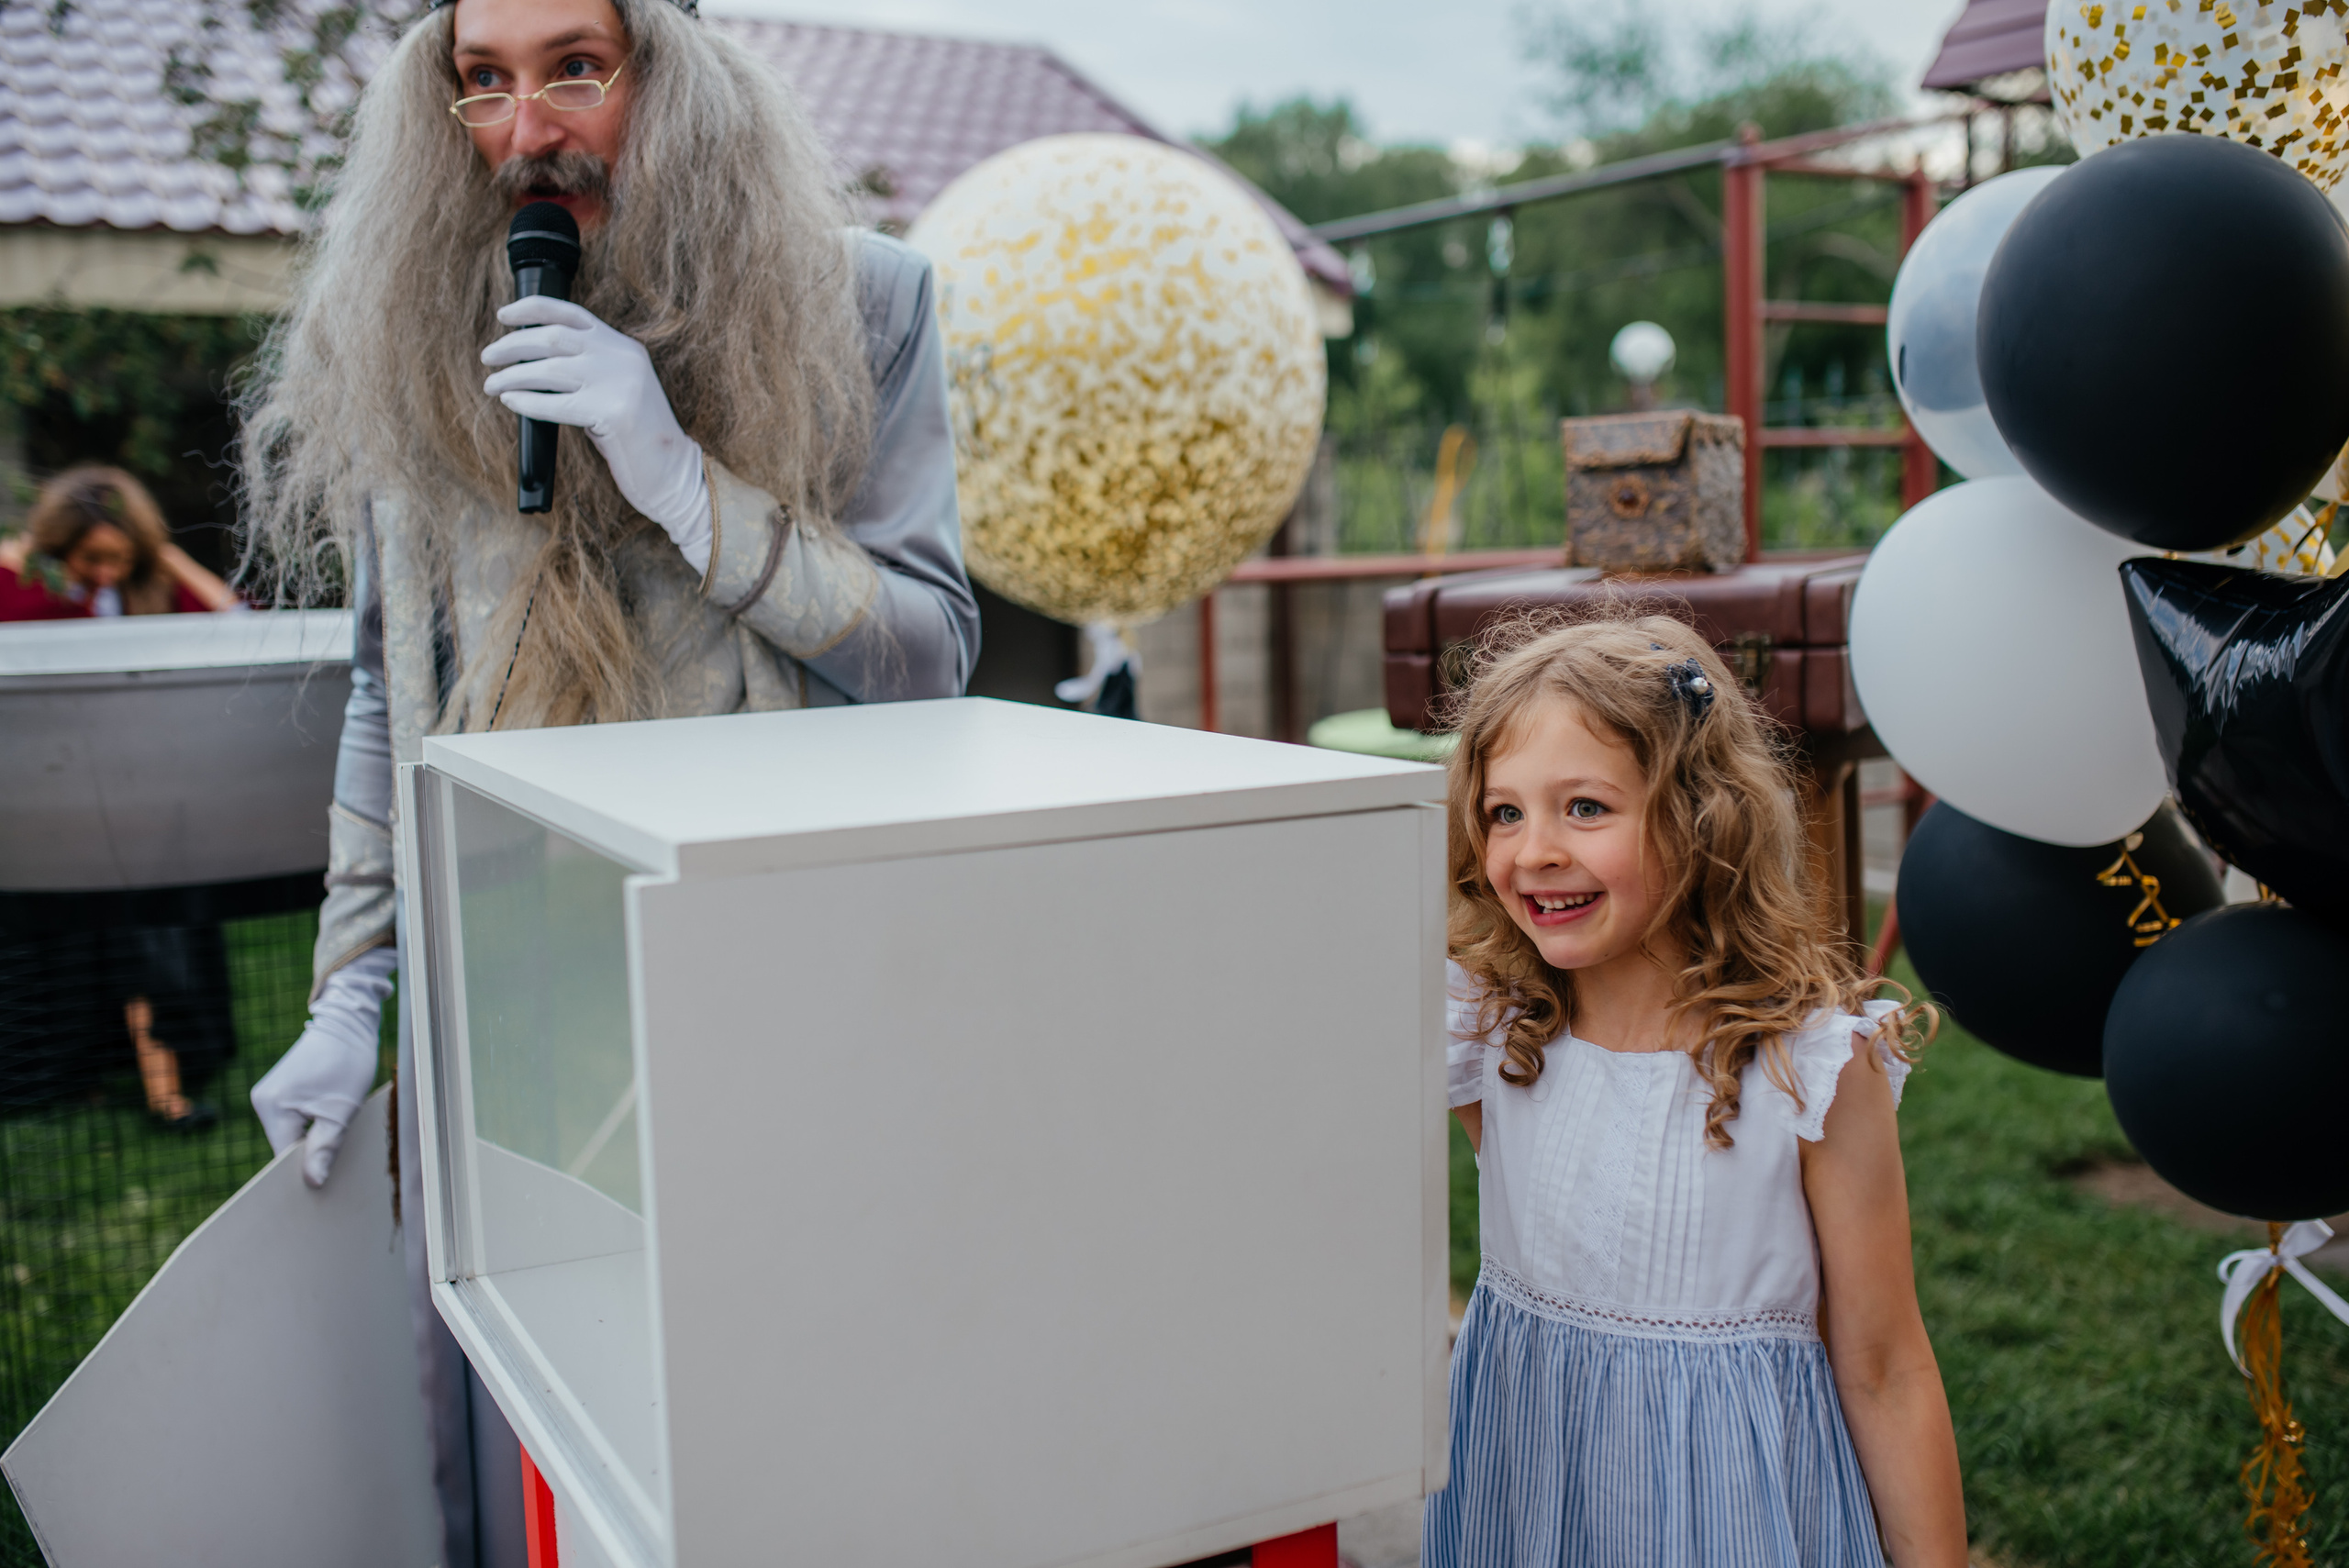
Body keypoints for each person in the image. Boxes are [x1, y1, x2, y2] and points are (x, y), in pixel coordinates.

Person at [235, 0, 974, 1560]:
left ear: (678, 70)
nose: (528, 133)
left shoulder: (868, 301)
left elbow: (932, 654)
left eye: (578, 67)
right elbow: (393, 689)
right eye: (482, 83)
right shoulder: (403, 320)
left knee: (758, 1428)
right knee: (522, 1448)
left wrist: (678, 479)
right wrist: (347, 997)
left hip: (763, 981)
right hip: (499, 1000)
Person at [1423, 615, 1966, 1568]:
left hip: (1740, 1517)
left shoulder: (1809, 1069)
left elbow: (1884, 1368)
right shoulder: (1495, 1032)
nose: (1534, 849)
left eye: (1584, 807)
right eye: (1502, 811)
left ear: (1699, 813)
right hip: (1530, 1492)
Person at [0, 465, 239, 621]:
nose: (104, 574)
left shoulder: (154, 588)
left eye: (120, 560)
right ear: (60, 546)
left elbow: (239, 622)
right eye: (91, 558)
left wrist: (174, 560)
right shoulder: (30, 591)